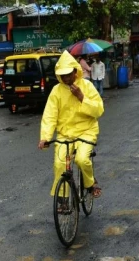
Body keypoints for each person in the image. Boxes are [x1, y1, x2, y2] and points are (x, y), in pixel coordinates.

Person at [38, 51, 104, 203]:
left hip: (86, 131)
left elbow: (99, 110)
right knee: (59, 164)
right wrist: (45, 137)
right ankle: (62, 199)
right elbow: (50, 115)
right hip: (65, 134)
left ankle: (90, 183)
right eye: (63, 75)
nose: (66, 78)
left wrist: (82, 97)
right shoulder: (56, 91)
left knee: (82, 160)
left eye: (69, 74)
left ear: (75, 71)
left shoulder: (86, 86)